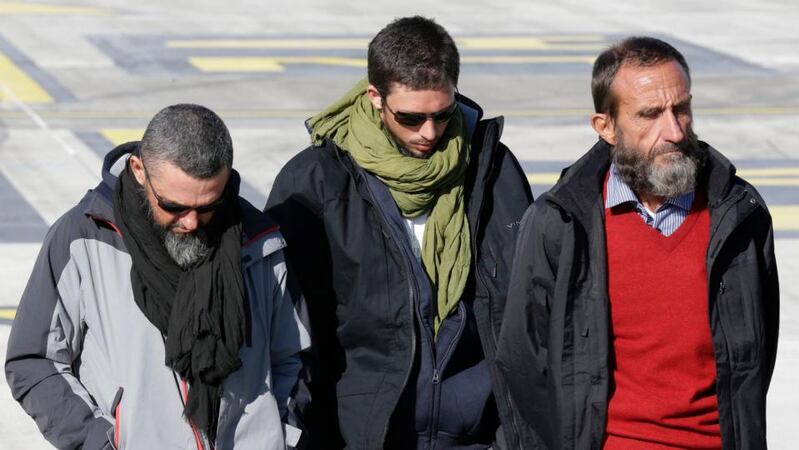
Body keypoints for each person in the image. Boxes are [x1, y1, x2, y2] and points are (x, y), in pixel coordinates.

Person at [497, 36, 779, 449]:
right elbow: (524, 363)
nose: (675, 131)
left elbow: (757, 353)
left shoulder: (740, 214)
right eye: (650, 114)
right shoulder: (559, 221)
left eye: (681, 109)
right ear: (605, 127)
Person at [266, 16, 533, 449]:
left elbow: (525, 311)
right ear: (375, 97)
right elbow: (287, 336)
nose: (429, 133)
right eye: (410, 118)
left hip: (477, 437)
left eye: (443, 115)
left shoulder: (493, 170)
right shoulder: (315, 182)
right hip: (363, 436)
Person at [6, 104, 309, 449]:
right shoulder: (82, 238)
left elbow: (295, 356)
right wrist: (100, 443)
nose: (192, 222)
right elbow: (34, 360)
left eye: (208, 206)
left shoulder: (259, 242)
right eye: (174, 206)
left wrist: (282, 434)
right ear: (139, 170)